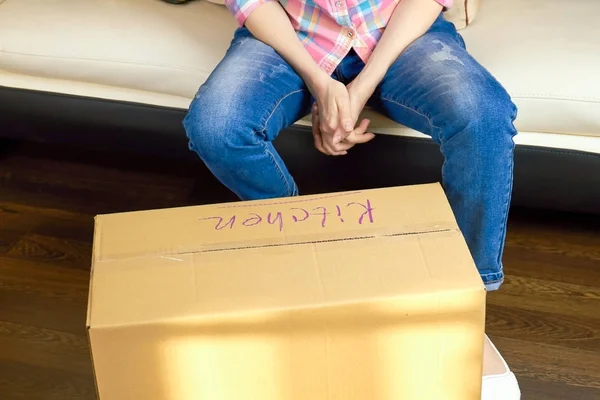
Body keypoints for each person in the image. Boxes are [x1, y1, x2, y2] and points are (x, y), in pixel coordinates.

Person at [183, 1, 521, 396]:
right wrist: (319, 83)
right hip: (293, 37)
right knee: (216, 126)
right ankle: (316, 270)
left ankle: (462, 309)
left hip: (401, 33)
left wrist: (359, 89)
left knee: (484, 117)